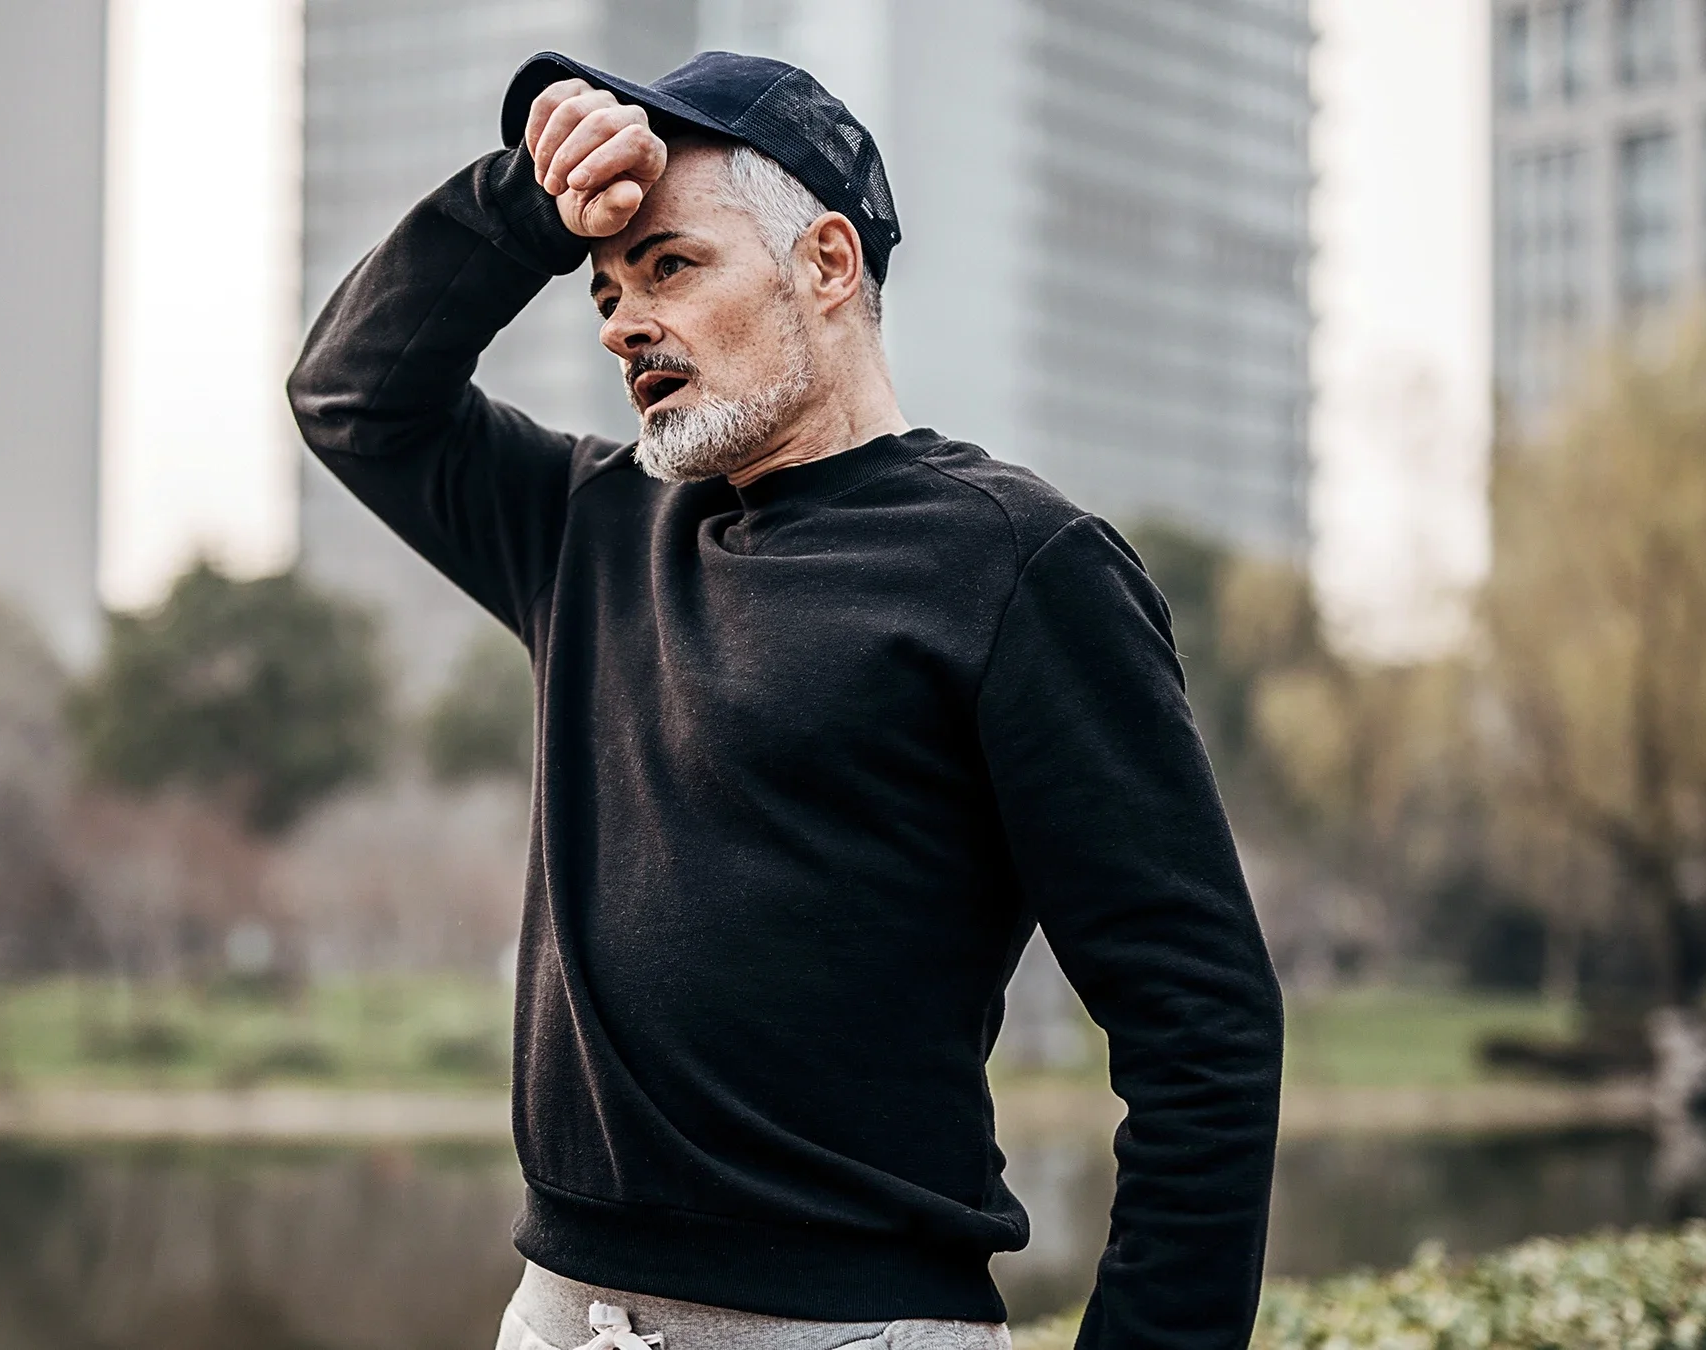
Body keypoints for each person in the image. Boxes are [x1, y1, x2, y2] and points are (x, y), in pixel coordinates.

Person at [288, 50, 1284, 1350]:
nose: (618, 321)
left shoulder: (1016, 561)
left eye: (669, 266)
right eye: (604, 284)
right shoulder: (590, 528)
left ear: (823, 265)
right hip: (560, 1315)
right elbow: (355, 398)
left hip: (850, 1328)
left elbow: (1201, 1020)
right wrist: (531, 204)